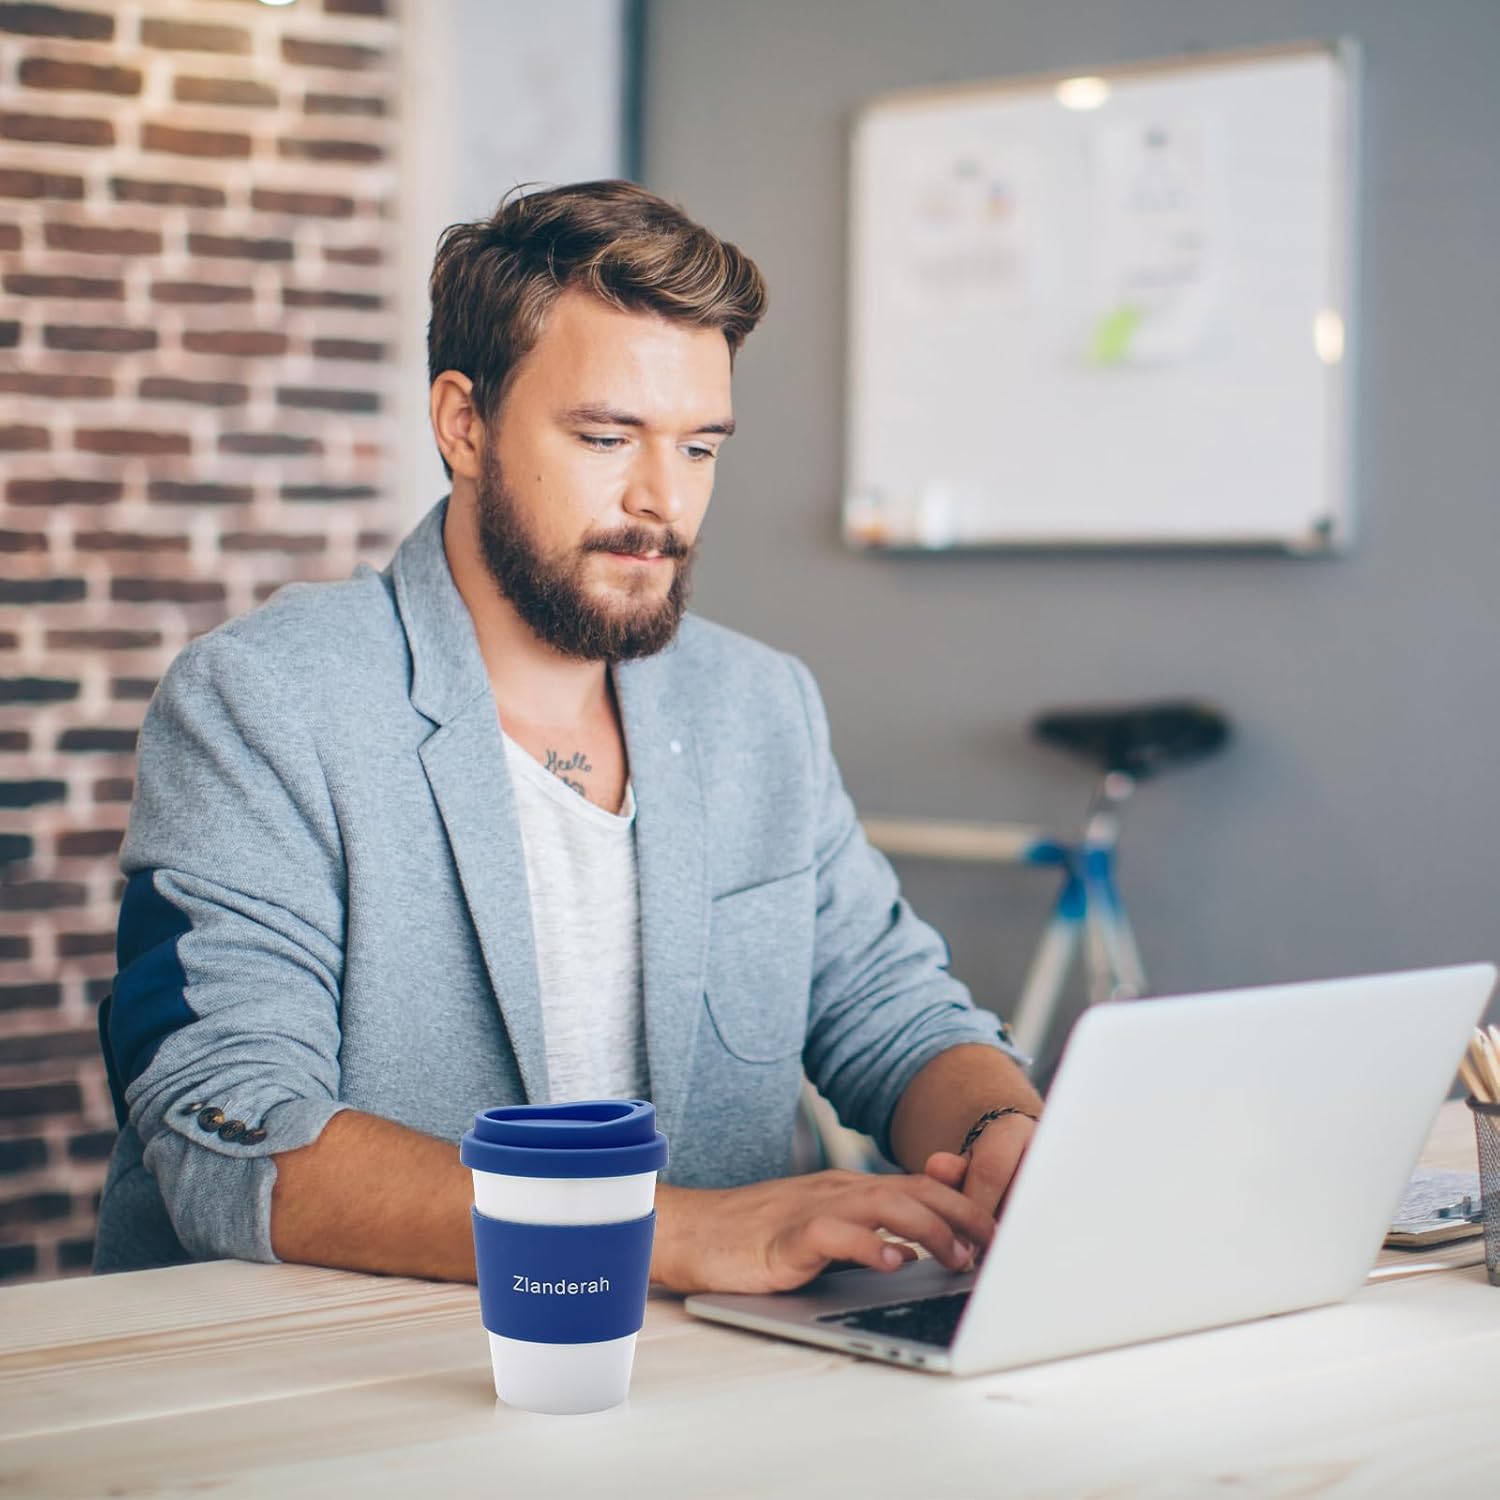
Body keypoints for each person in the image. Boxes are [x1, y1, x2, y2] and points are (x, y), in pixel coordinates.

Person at [94, 180, 1043, 1292]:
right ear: (463, 424)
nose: (663, 503)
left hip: (698, 1378)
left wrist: (1001, 1133)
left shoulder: (757, 705)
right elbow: (228, 1128)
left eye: (700, 448)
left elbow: (891, 1010)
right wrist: (673, 1232)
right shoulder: (265, 700)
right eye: (607, 436)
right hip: (359, 1383)